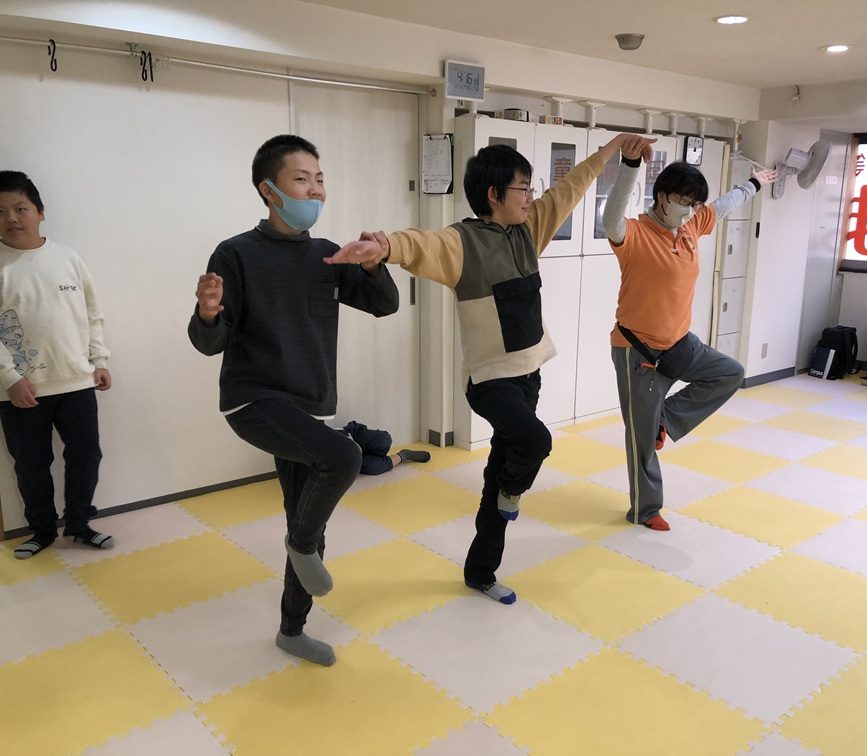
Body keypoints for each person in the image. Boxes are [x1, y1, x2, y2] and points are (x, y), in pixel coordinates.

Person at [360, 132, 653, 605]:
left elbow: (573, 186)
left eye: (531, 188)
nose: (531, 196)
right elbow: (420, 244)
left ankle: (481, 571)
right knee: (535, 442)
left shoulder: (529, 229)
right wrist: (384, 245)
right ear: (494, 194)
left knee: (498, 473)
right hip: (489, 380)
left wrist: (613, 150)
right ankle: (511, 493)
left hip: (528, 374)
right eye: (523, 188)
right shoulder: (462, 243)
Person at [188, 135, 396, 666]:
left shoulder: (327, 255)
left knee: (308, 519)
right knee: (344, 456)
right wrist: (207, 313)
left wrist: (372, 265)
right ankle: (300, 547)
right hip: (253, 399)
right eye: (301, 179)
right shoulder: (235, 253)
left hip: (310, 404)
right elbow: (211, 342)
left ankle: (291, 629)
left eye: (319, 179)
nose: (315, 189)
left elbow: (385, 305)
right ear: (269, 191)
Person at [602, 146, 776, 530]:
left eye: (696, 203)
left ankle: (665, 419)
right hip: (638, 351)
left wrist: (753, 184)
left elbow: (723, 206)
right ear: (663, 197)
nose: (692, 209)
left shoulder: (691, 227)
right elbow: (610, 216)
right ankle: (646, 509)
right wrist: (630, 166)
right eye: (685, 201)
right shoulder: (634, 234)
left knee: (729, 373)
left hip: (680, 343)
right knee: (641, 440)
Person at [0, 171, 115, 559]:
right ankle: (42, 531)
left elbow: (92, 313)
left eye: (21, 208)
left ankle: (79, 524)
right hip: (19, 389)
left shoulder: (68, 258)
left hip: (77, 382)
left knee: (86, 456)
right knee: (31, 464)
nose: (11, 218)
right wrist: (10, 378)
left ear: (40, 212)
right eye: (0, 212)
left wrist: (99, 359)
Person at [341, 419, 430, 475]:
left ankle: (376, 454)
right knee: (375, 467)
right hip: (352, 458)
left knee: (383, 441)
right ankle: (404, 455)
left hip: (351, 436)